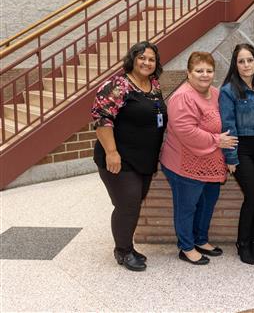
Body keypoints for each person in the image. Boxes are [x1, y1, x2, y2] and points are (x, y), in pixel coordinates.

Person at [91, 41, 166, 272]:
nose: (146, 62)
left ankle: (128, 246)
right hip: (119, 159)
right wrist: (111, 153)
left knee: (132, 203)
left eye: (151, 59)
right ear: (132, 59)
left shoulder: (153, 85)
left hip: (143, 159)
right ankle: (122, 251)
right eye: (142, 57)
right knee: (128, 204)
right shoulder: (119, 84)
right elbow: (101, 118)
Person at [160, 51, 238, 265]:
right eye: (199, 70)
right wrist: (216, 141)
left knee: (207, 203)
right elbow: (186, 131)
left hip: (210, 165)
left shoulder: (214, 93)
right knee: (187, 207)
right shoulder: (182, 97)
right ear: (188, 73)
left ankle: (200, 239)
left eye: (209, 70)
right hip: (184, 164)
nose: (204, 74)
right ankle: (186, 247)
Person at [219, 44, 254, 265]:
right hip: (242, 149)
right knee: (253, 196)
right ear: (235, 65)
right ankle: (243, 243)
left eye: (250, 60)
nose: (246, 65)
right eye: (241, 61)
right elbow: (227, 126)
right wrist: (231, 157)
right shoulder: (229, 90)